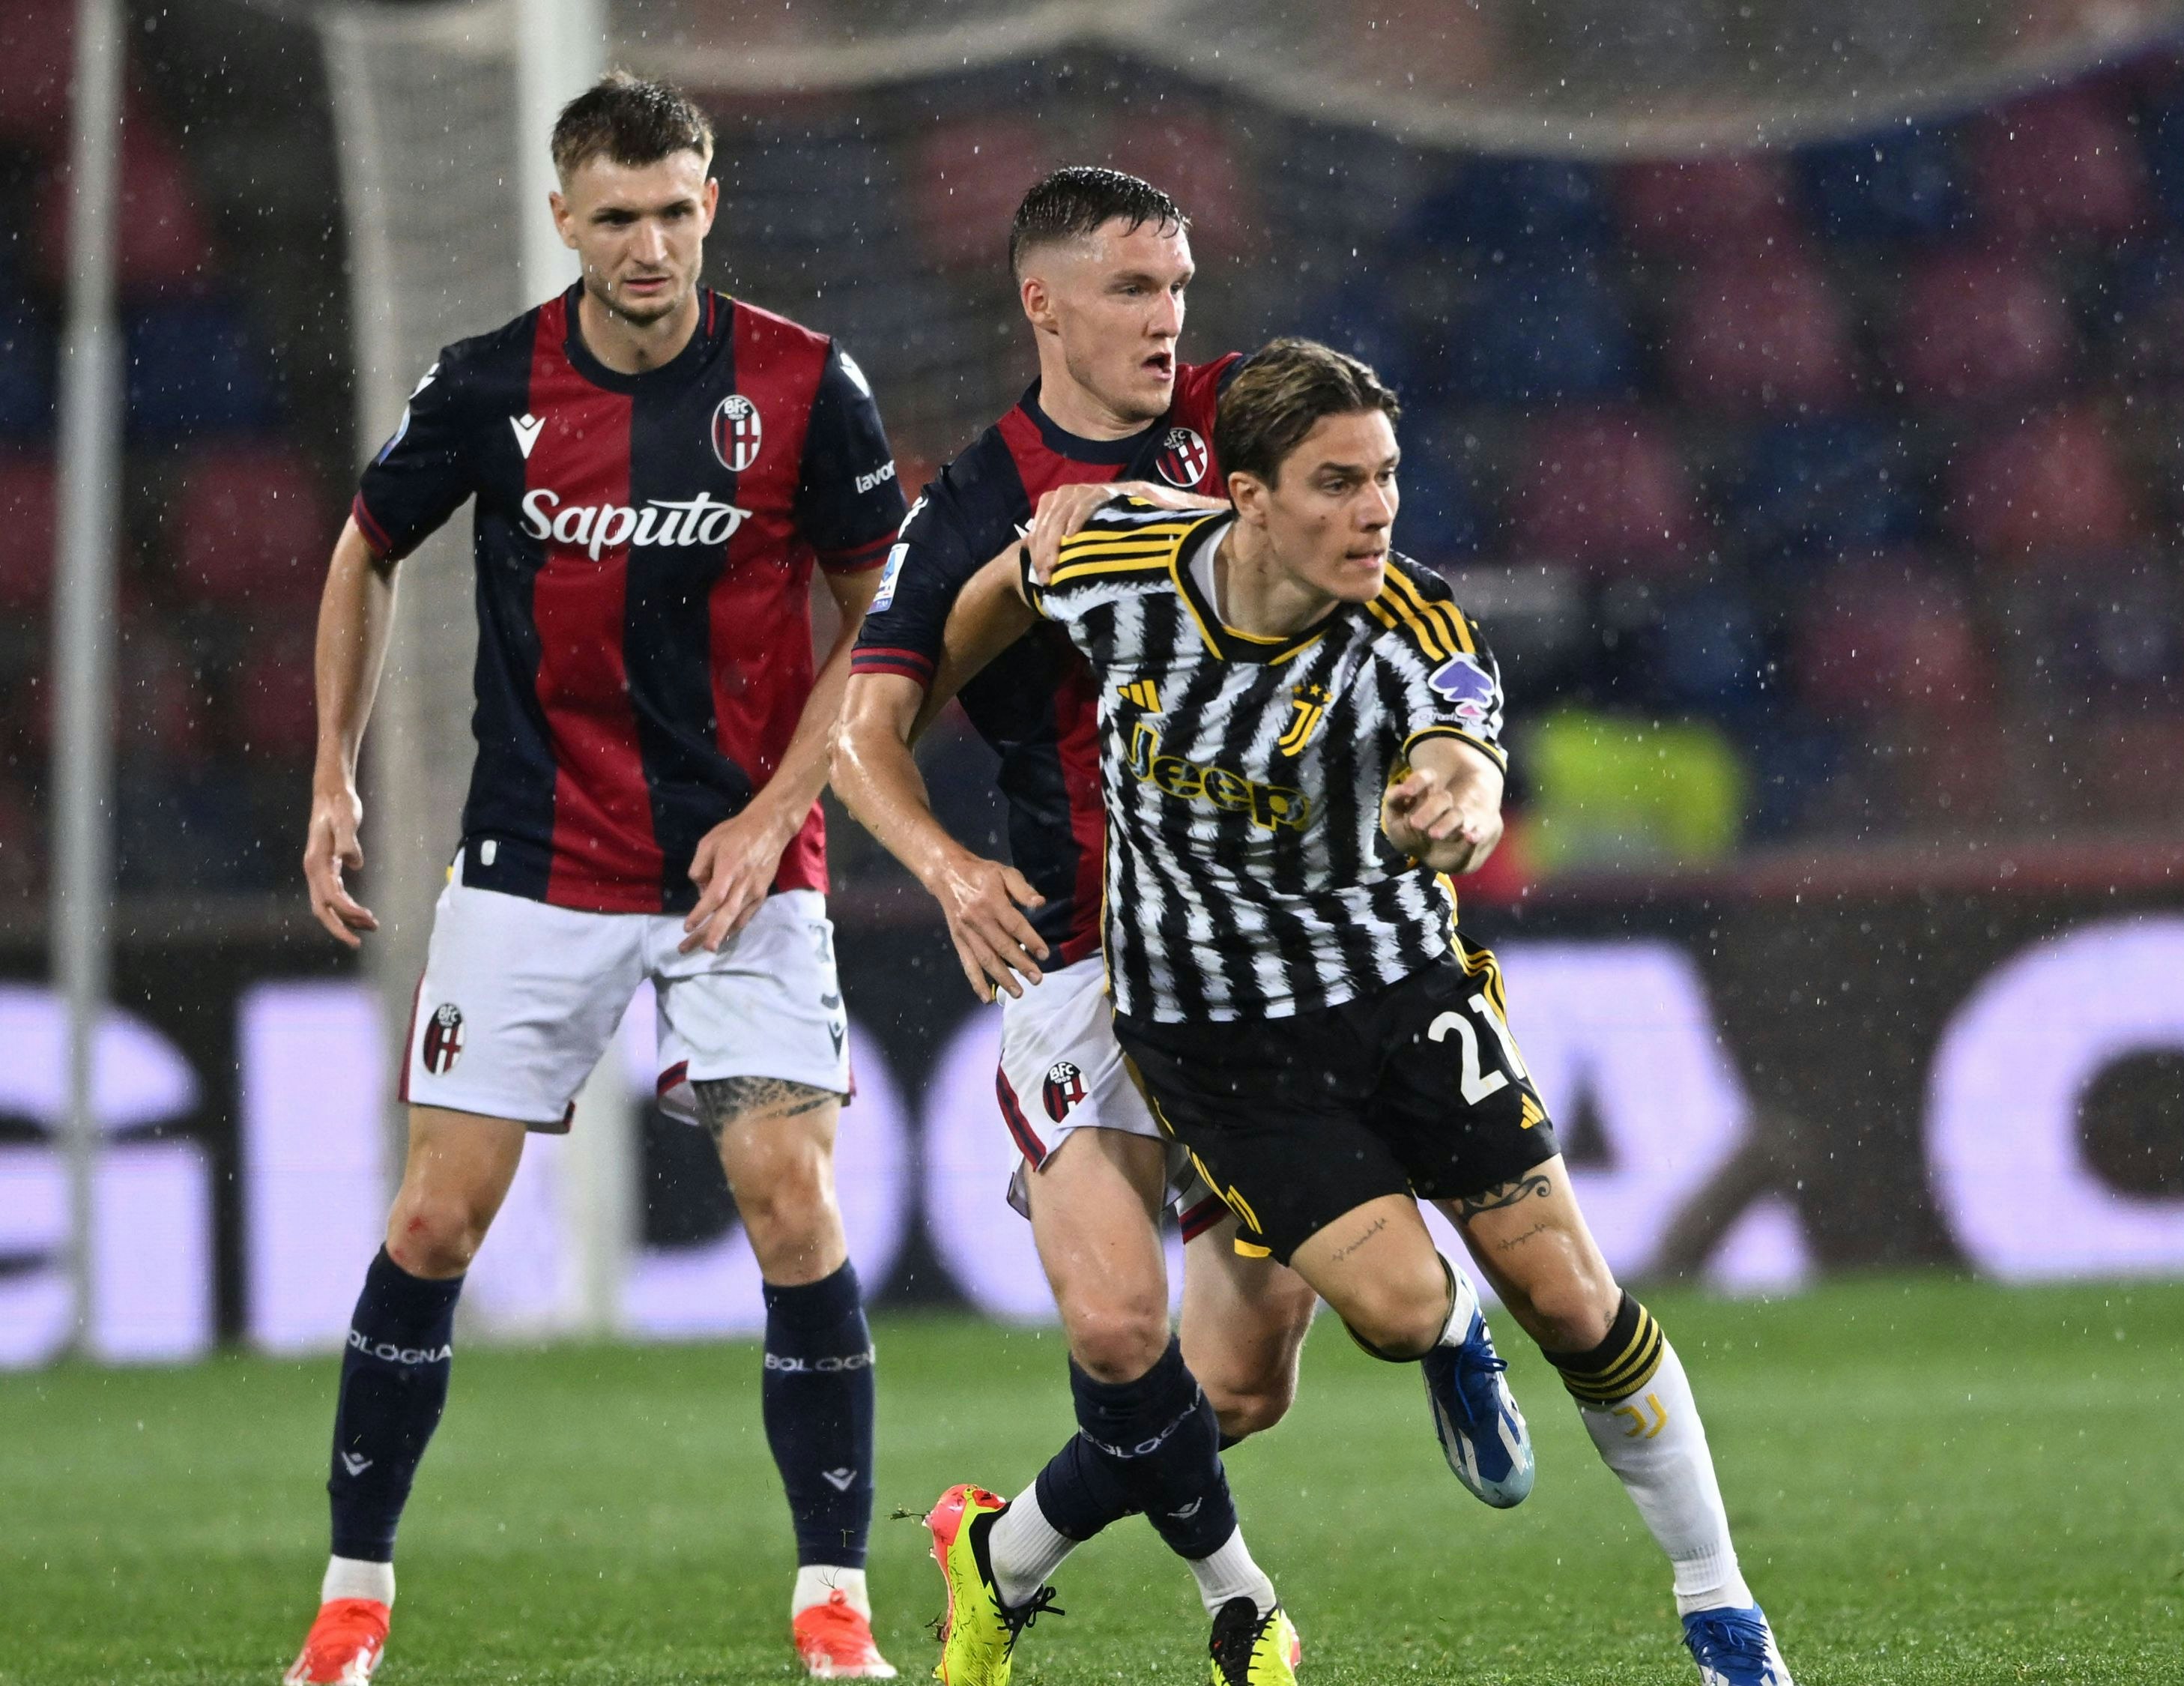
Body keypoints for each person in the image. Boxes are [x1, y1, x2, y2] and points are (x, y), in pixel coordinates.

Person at [916, 337, 1794, 1686]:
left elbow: (1465, 752)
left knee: (1573, 1297)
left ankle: (1722, 1608)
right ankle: (1446, 1329)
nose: (1374, 509)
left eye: (1385, 476)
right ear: (1247, 496)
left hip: (1400, 993)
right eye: (1337, 482)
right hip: (1218, 1041)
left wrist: (1456, 807)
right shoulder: (1120, 567)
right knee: (1386, 1314)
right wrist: (919, 701)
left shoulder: (1412, 623)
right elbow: (995, 600)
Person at [834, 166, 1522, 1686]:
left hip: (1262, 956)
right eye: (1133, 291)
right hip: (1082, 950)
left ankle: (999, 1553)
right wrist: (947, 867)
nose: (1168, 320)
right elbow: (863, 732)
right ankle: (1245, 1605)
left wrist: (1441, 746)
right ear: (1044, 305)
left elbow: (1384, 561)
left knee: (1240, 1386)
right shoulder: (978, 496)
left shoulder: (1243, 422)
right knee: (1114, 1330)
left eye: (1179, 289)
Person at [290, 73, 906, 1683]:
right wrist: (333, 768)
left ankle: (833, 1602)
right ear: (563, 217)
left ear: (712, 207)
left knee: (792, 1204)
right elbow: (366, 547)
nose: (648, 244)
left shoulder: (804, 383)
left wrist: (776, 811)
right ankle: (351, 1599)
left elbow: (883, 626)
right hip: (538, 857)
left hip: (740, 874)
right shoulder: (489, 384)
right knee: (435, 1219)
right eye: (616, 215)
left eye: (674, 211)